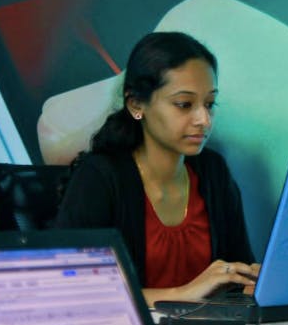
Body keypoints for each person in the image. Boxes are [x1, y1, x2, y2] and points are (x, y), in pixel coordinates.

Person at [55, 31, 259, 306]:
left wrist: (254, 280)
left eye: (210, 104)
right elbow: (74, 289)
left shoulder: (213, 171)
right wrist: (182, 294)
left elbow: (239, 269)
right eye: (184, 105)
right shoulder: (100, 177)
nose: (204, 120)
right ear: (136, 104)